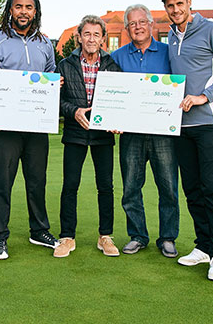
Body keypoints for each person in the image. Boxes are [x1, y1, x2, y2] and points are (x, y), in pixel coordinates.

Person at [162, 0, 213, 281]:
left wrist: (205, 96)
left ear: (189, 3)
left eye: (179, 3)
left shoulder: (212, 28)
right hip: (182, 126)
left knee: (212, 188)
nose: (175, 9)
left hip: (210, 123)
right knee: (192, 189)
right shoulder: (170, 36)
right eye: (170, 5)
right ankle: (204, 246)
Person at [0, 0, 58, 260]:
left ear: (35, 11)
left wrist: (54, 84)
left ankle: (39, 231)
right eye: (18, 6)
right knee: (2, 182)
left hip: (36, 125)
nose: (23, 11)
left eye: (29, 7)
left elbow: (50, 78)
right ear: (10, 10)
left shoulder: (45, 44)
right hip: (5, 128)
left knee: (37, 181)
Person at [110, 4, 181, 258]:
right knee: (131, 187)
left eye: (142, 22)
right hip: (131, 133)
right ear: (127, 29)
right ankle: (138, 235)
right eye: (132, 23)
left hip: (163, 131)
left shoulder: (168, 52)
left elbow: (189, 77)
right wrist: (111, 117)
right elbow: (108, 90)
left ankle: (168, 237)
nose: (137, 27)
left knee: (168, 186)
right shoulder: (117, 56)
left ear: (152, 25)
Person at [54, 15, 122, 258]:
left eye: (96, 35)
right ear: (79, 37)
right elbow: (56, 100)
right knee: (70, 185)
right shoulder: (64, 65)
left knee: (106, 186)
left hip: (103, 135)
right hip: (75, 133)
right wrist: (74, 111)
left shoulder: (113, 66)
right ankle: (67, 237)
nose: (91, 39)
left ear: (103, 39)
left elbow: (120, 101)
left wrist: (117, 120)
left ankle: (105, 236)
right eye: (87, 34)